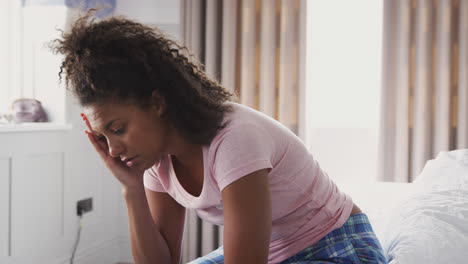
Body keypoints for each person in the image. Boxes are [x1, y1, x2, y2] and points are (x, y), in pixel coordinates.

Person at [52, 12, 387, 264]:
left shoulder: (235, 138)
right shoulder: (155, 160)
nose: (114, 149)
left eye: (118, 129)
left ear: (157, 103)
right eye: (102, 136)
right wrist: (132, 188)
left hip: (334, 244)